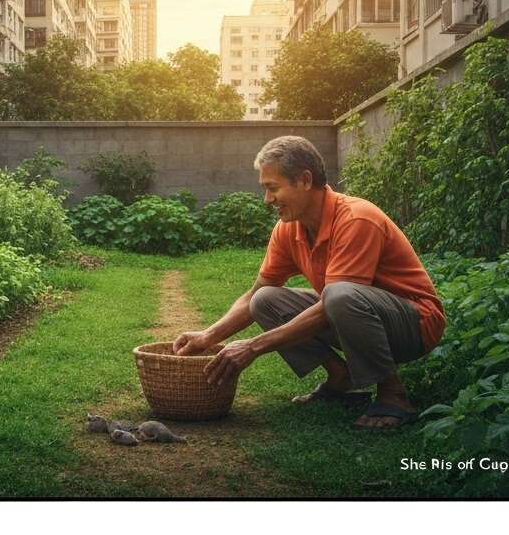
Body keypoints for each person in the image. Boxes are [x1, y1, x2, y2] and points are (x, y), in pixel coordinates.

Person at [172, 136, 445, 429]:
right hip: (355, 315)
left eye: (272, 188)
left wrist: (252, 347)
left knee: (339, 295)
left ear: (304, 180)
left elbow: (335, 303)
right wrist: (208, 336)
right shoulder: (289, 229)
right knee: (264, 298)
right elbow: (255, 294)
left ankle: (393, 394)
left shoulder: (356, 219)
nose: (267, 200)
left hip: (413, 325)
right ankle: (341, 378)